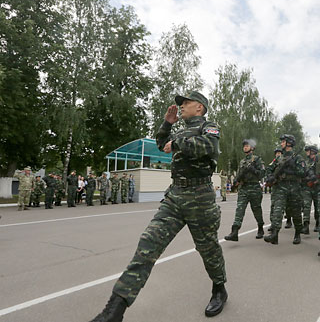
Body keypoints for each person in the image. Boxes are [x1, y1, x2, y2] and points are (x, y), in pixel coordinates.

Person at [90, 91, 227, 321]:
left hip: (200, 198)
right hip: (175, 197)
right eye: (180, 104)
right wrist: (167, 124)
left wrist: (177, 142)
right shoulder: (180, 131)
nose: (181, 106)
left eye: (186, 103)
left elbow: (208, 146)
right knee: (148, 245)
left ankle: (219, 288)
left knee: (208, 249)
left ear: (200, 108)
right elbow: (162, 144)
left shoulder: (209, 127)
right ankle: (114, 311)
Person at [264, 134, 306, 245]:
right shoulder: (279, 158)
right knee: (277, 211)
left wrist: (292, 169)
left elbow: (303, 172)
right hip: (280, 187)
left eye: (283, 142)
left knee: (296, 213)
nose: (281, 144)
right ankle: (274, 234)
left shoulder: (298, 158)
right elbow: (269, 169)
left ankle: (297, 233)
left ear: (289, 143)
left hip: (294, 187)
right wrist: (270, 177)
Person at [224, 139, 265, 241]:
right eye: (244, 146)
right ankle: (234, 231)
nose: (245, 147)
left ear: (252, 148)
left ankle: (260, 227)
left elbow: (262, 174)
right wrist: (236, 182)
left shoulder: (257, 159)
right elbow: (239, 174)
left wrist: (253, 170)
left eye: (247, 146)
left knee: (256, 210)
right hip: (244, 189)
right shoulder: (242, 161)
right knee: (239, 209)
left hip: (254, 188)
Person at [301, 145, 319, 234]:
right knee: (306, 206)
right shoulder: (305, 162)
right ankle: (306, 225)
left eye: (308, 151)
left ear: (313, 151)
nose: (307, 152)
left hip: (317, 187)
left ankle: (318, 224)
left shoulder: (318, 161)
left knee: (318, 206)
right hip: (307, 187)